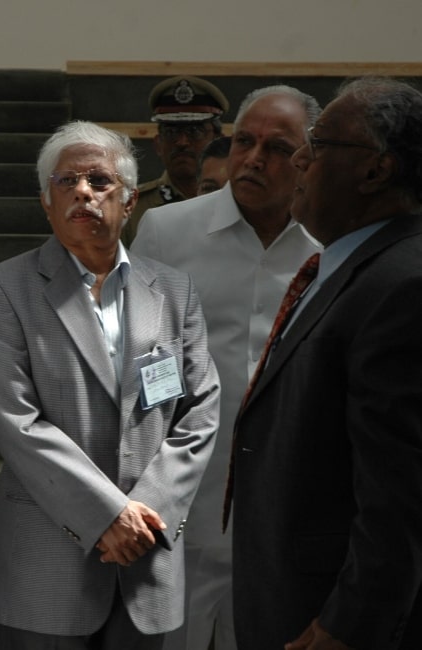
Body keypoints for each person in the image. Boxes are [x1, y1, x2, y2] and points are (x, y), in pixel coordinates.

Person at [0, 120, 220, 649]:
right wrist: (108, 515)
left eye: (100, 180)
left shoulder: (174, 291)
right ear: (46, 201)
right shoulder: (3, 288)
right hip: (45, 566)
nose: (83, 191)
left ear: (129, 201)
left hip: (147, 562)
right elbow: (16, 421)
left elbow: (199, 412)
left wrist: (144, 516)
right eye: (67, 181)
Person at [228, 76, 422, 650]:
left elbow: (401, 491)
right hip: (291, 598)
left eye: (319, 143)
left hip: (331, 620)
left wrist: (350, 621)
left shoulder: (403, 285)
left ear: (375, 170)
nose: (303, 159)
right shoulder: (348, 266)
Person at [132, 85, 322, 650]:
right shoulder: (168, 232)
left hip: (286, 506)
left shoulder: (326, 243)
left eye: (278, 147)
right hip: (184, 495)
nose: (254, 158)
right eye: (244, 141)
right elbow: (144, 359)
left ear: (308, 159)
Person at [121, 75, 229, 246]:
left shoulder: (236, 200)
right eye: (171, 133)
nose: (182, 142)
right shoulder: (132, 209)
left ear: (218, 140)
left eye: (195, 131)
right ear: (158, 144)